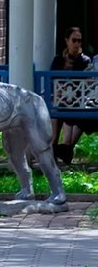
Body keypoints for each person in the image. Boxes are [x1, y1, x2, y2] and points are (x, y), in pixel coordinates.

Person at [50, 27, 93, 165]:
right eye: (74, 40)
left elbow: (86, 83)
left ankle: (64, 149)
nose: (77, 44)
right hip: (61, 99)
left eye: (79, 41)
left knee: (81, 115)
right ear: (67, 41)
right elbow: (52, 79)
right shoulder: (58, 59)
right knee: (55, 111)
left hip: (78, 100)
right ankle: (57, 148)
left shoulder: (84, 60)